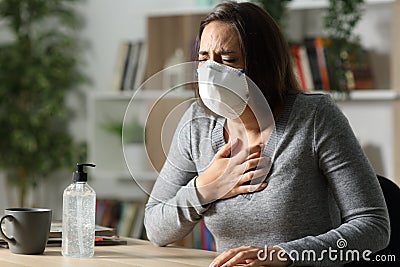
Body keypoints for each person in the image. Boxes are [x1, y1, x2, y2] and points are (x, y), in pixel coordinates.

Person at [144, 1, 390, 266]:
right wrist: (204, 189)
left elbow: (373, 226)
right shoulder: (197, 122)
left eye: (227, 60)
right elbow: (156, 228)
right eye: (204, 58)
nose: (211, 72)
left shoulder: (315, 117)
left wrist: (284, 254)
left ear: (263, 64)